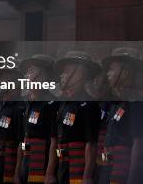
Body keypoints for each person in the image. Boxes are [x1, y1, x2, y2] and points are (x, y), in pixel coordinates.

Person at [51, 51, 101, 184]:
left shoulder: (88, 105)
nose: (62, 75)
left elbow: (91, 144)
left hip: (78, 170)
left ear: (78, 74)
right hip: (63, 167)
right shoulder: (63, 104)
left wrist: (87, 176)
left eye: (66, 72)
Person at [98, 47, 143, 184]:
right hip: (108, 166)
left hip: (123, 169)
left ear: (124, 73)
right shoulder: (115, 102)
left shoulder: (136, 101)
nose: (108, 74)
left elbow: (138, 141)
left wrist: (132, 178)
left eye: (112, 70)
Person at [14, 54, 59, 184]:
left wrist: (49, 173)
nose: (27, 75)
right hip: (25, 164)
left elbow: (54, 141)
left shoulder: (51, 103)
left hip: (41, 164)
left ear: (43, 75)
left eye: (31, 71)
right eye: (27, 71)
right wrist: (17, 172)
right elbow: (22, 140)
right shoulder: (25, 103)